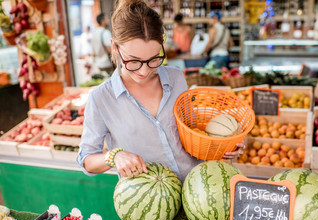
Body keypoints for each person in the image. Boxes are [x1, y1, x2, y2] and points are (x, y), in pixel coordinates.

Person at [76, 0, 245, 182]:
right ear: (115, 47)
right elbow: (86, 160)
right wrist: (114, 156)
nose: (144, 71)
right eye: (133, 61)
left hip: (197, 188)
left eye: (154, 59)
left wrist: (222, 143)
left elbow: (193, 133)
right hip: (150, 204)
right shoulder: (101, 98)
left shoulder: (176, 78)